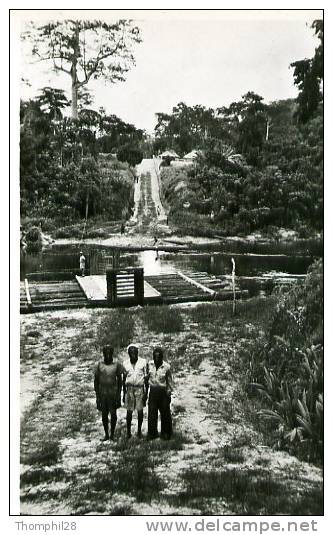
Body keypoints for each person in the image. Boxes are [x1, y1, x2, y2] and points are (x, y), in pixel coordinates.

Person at [94, 345, 122, 441]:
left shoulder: (116, 364)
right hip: (103, 392)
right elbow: (96, 381)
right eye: (106, 353)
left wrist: (118, 394)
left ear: (112, 354)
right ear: (104, 354)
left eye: (110, 353)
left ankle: (112, 434)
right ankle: (106, 434)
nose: (108, 355)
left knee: (113, 414)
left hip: (113, 392)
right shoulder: (99, 364)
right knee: (104, 414)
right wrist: (97, 396)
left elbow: (120, 379)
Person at [122, 345, 148, 438]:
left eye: (135, 353)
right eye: (131, 353)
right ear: (128, 354)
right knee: (129, 411)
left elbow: (146, 379)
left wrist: (146, 393)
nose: (133, 355)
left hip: (139, 388)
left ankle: (139, 431)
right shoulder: (125, 363)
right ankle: (128, 432)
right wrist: (124, 392)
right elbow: (123, 378)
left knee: (140, 411)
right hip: (129, 389)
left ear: (137, 353)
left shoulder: (143, 362)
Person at [147, 346, 173, 440]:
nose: (156, 359)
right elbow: (147, 377)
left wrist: (169, 393)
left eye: (159, 357)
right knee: (152, 413)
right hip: (153, 391)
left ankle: (166, 433)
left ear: (162, 357)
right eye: (155, 357)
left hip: (163, 392)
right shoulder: (150, 364)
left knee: (165, 413)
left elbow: (169, 381)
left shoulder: (166, 367)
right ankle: (152, 433)